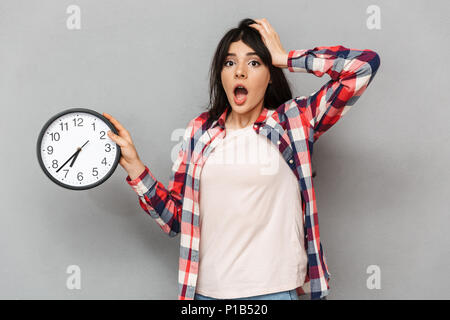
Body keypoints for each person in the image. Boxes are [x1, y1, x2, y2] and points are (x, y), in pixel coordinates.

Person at [103, 18, 380, 300]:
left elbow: (363, 66)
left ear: (271, 74)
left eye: (254, 63)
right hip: (205, 294)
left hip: (273, 291)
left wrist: (285, 58)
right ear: (221, 74)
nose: (240, 72)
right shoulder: (199, 131)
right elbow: (175, 221)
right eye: (230, 63)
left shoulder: (293, 122)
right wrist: (135, 167)